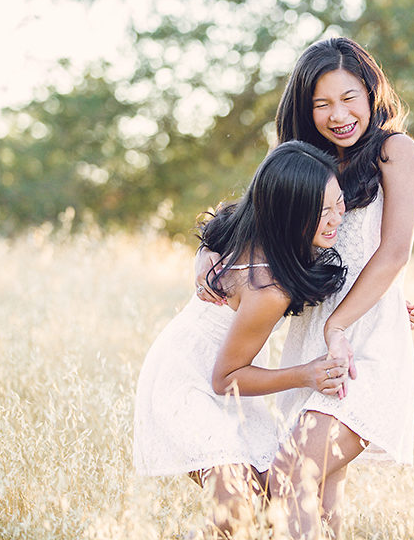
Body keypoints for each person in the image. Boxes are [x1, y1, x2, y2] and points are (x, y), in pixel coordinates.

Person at [198, 37, 414, 539]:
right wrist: (205, 257)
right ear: (304, 108)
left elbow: (393, 253)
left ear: (371, 94)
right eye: (322, 104)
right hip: (313, 343)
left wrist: (347, 319)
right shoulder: (301, 160)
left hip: (366, 346)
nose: (338, 114)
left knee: (292, 470)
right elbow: (240, 222)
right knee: (320, 500)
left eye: (349, 98)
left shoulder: (395, 151)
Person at [133, 141, 353, 537]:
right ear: (290, 215)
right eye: (323, 212)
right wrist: (307, 374)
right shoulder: (268, 287)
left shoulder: (259, 227)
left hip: (219, 372)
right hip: (188, 378)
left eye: (339, 203)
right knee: (233, 498)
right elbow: (226, 378)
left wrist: (390, 307)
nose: (338, 218)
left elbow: (221, 221)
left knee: (279, 490)